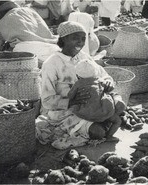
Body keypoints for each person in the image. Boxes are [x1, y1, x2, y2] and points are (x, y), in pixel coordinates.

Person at [36, 21, 121, 150]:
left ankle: (98, 121)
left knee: (119, 106)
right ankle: (96, 124)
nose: (80, 43)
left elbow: (103, 74)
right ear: (64, 39)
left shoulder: (83, 57)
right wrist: (70, 102)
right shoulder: (51, 63)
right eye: (75, 38)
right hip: (64, 112)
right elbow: (47, 101)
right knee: (98, 132)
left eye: (83, 39)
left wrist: (108, 81)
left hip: (90, 106)